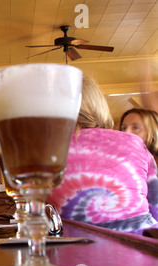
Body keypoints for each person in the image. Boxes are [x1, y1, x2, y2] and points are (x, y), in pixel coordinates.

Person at [47, 74, 158, 234]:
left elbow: (42, 214)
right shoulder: (135, 143)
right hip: (141, 240)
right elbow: (155, 203)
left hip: (75, 246)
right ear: (99, 105)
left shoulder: (49, 149)